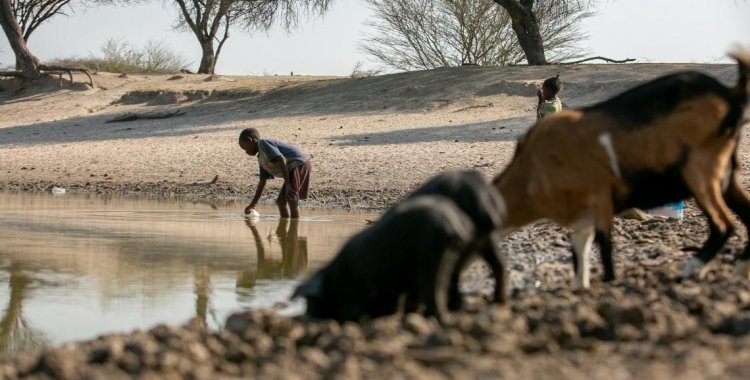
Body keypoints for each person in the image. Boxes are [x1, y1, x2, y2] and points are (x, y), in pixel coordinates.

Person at [239, 128, 312, 218]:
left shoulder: (263, 143)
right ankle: (284, 230)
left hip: (299, 164)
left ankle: (294, 230)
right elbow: (262, 182)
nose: (246, 152)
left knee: (291, 199)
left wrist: (288, 185)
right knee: (281, 202)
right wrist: (253, 204)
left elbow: (281, 159)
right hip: (291, 171)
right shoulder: (262, 159)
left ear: (249, 140)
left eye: (244, 148)